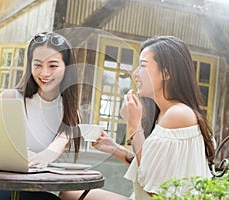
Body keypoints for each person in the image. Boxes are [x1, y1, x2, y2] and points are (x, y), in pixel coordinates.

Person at [59, 36, 215, 200]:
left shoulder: (178, 114)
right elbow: (152, 165)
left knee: (69, 194)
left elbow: (149, 178)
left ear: (166, 73)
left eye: (142, 65)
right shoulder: (164, 113)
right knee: (68, 192)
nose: (135, 74)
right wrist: (113, 148)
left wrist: (134, 125)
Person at [0, 32, 81, 200]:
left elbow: (56, 147)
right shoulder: (10, 98)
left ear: (67, 67)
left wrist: (37, 158)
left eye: (53, 65)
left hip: (33, 190)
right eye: (38, 65)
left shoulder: (69, 112)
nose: (45, 73)